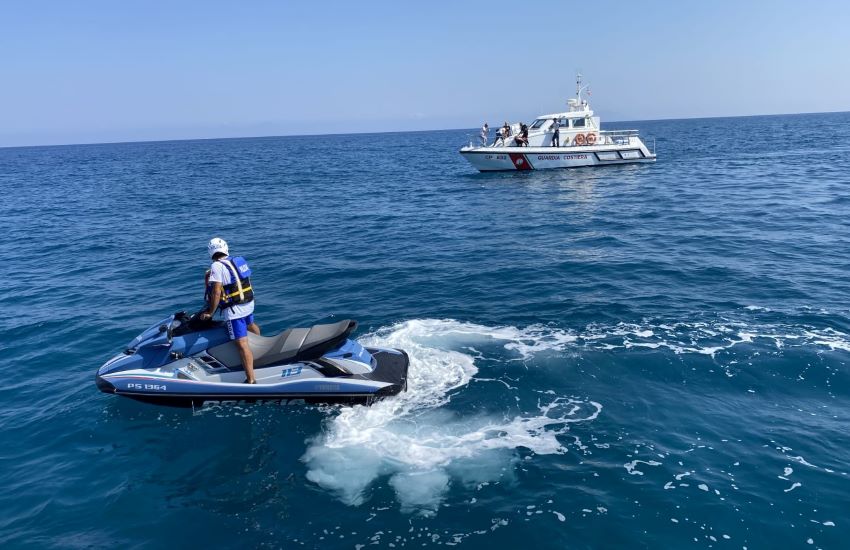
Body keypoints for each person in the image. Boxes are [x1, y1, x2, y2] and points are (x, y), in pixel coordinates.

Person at [199, 237, 261, 384]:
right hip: (248, 303)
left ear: (211, 252)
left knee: (241, 344)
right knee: (251, 325)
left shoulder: (216, 267)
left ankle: (251, 379)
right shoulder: (237, 260)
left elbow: (216, 293)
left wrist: (210, 313)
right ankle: (260, 350)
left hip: (235, 310)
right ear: (225, 248)